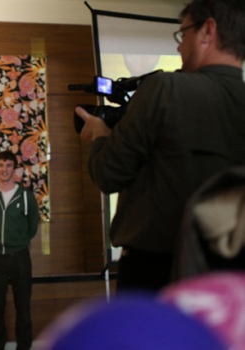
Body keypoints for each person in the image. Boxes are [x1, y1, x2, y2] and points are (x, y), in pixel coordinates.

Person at [76, 0, 245, 292]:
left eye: (184, 34)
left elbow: (108, 174)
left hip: (154, 274)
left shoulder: (165, 89)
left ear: (208, 31)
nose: (179, 47)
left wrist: (101, 134)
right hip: (231, 283)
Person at [0, 151, 39, 350]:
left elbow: (32, 225)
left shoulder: (26, 196)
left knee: (24, 310)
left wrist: (20, 242)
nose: (5, 169)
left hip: (20, 258)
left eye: (9, 165)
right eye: (1, 165)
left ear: (15, 169)